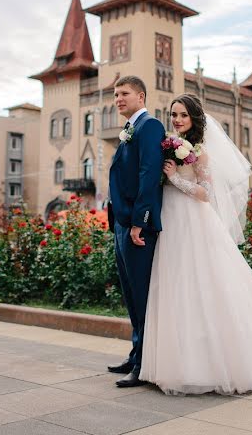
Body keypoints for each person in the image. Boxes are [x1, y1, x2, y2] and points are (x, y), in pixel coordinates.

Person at [140, 93, 252, 395]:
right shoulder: (168, 145)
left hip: (194, 220)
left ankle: (217, 366)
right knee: (175, 284)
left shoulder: (200, 152)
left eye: (183, 115)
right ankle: (175, 363)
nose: (177, 120)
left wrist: (175, 178)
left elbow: (205, 192)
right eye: (174, 114)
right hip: (172, 220)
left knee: (203, 283)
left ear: (194, 119)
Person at [105, 75, 165, 388]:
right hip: (121, 223)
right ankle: (136, 353)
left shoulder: (150, 126)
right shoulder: (130, 129)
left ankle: (143, 366)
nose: (118, 99)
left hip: (136, 227)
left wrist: (140, 220)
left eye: (124, 93)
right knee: (130, 295)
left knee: (141, 296)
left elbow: (148, 174)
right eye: (116, 94)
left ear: (140, 96)